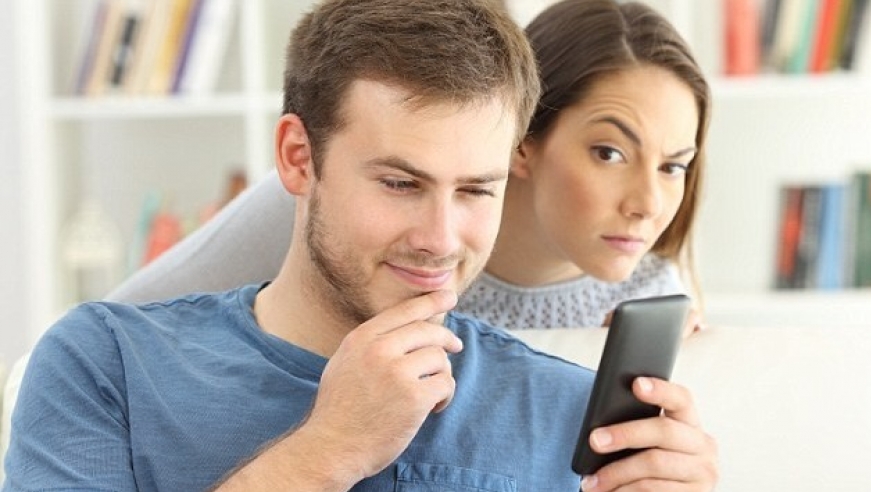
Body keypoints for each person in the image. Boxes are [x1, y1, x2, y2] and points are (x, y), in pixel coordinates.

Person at [4, 0, 718, 492]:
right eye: (401, 183)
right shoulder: (104, 365)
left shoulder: (568, 412)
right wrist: (326, 450)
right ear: (298, 157)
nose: (441, 241)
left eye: (476, 190)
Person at [107, 0, 711, 335]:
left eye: (674, 166)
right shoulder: (328, 192)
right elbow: (121, 328)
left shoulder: (654, 302)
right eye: (609, 153)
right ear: (522, 139)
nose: (647, 204)